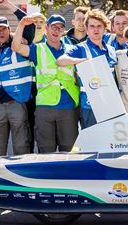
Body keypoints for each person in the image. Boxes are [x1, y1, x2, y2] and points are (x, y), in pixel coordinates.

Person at [12, 15, 80, 153]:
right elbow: (16, 47)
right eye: (53, 27)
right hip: (45, 107)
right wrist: (21, 25)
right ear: (46, 29)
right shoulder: (38, 49)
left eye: (60, 28)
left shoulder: (72, 49)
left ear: (63, 31)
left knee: (68, 150)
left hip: (69, 105)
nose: (56, 31)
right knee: (46, 150)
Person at [56, 9, 117, 129]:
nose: (96, 29)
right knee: (92, 143)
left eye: (99, 26)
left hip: (110, 104)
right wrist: (81, 61)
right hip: (90, 105)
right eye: (92, 26)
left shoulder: (111, 49)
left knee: (109, 143)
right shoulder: (80, 48)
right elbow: (60, 61)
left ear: (104, 28)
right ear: (87, 29)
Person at [0, 17, 33, 157]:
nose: (1, 32)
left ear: (9, 30)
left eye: (4, 29)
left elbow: (30, 27)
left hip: (17, 102)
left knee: (21, 145)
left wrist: (21, 21)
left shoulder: (20, 44)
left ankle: (23, 177)